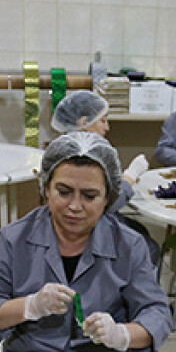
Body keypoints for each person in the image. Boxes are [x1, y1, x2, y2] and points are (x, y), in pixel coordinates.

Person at [0, 132, 171, 352]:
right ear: (46, 189)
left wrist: (122, 335)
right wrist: (30, 306)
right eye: (63, 192)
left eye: (89, 196)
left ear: (108, 199)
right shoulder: (14, 240)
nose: (74, 206)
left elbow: (157, 313)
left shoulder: (129, 245)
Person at [51, 91, 159, 263]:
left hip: (86, 222)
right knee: (148, 248)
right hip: (89, 225)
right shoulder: (87, 156)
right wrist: (131, 175)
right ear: (84, 122)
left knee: (140, 231)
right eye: (103, 120)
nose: (107, 127)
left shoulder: (61, 148)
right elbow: (109, 203)